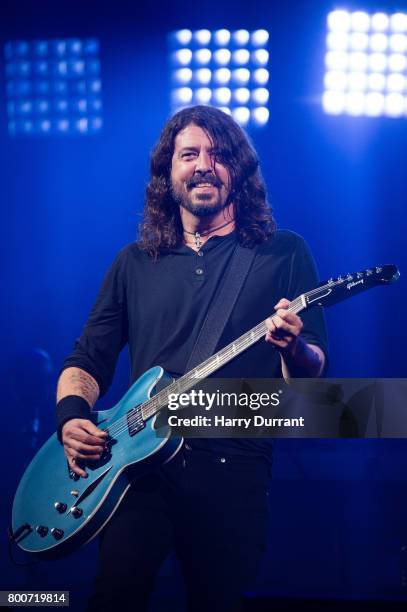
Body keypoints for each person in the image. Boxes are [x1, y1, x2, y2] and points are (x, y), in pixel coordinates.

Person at [56, 105, 328, 612]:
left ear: (238, 172)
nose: (204, 164)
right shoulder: (135, 262)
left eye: (219, 155)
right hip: (137, 471)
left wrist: (294, 346)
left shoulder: (282, 252)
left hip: (234, 468)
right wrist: (71, 417)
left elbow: (310, 381)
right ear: (168, 172)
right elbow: (88, 359)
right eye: (189, 154)